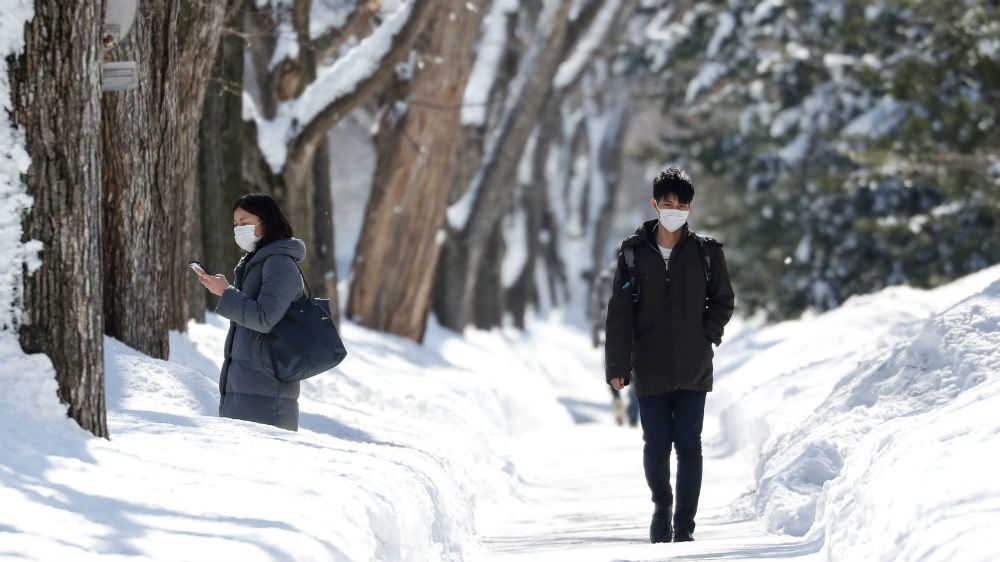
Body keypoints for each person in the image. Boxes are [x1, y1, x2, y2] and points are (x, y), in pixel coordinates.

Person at [604, 166, 735, 543]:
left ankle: (685, 525)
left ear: (690, 207)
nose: (674, 209)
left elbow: (723, 300)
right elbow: (619, 313)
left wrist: (705, 336)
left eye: (681, 204)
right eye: (667, 203)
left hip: (694, 368)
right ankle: (662, 507)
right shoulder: (632, 255)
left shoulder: (707, 253)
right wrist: (618, 364)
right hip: (650, 366)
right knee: (656, 444)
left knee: (689, 446)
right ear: (655, 205)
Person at [194, 193, 307, 431]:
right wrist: (227, 292)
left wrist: (226, 293)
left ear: (265, 221)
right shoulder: (256, 262)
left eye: (244, 223)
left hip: (266, 388)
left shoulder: (280, 263)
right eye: (236, 224)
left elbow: (264, 318)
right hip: (246, 385)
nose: (238, 229)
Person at [590, 258, 638, 427]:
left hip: (609, 331)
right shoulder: (636, 275)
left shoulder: (604, 278)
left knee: (611, 369)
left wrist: (595, 333)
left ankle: (617, 399)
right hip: (634, 331)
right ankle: (633, 408)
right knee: (636, 372)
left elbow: (596, 307)